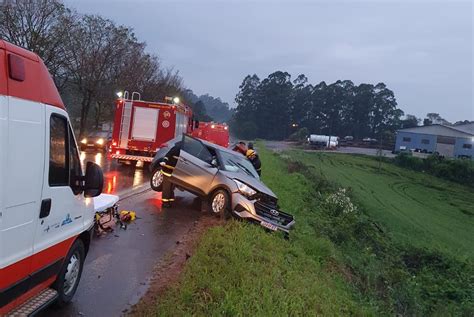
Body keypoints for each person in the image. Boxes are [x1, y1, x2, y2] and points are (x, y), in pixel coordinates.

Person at [160, 141, 182, 208]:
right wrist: (164, 161)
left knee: (171, 187)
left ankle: (170, 200)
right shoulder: (176, 149)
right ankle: (165, 202)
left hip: (173, 172)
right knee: (167, 187)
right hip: (167, 170)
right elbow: (168, 155)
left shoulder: (181, 151)